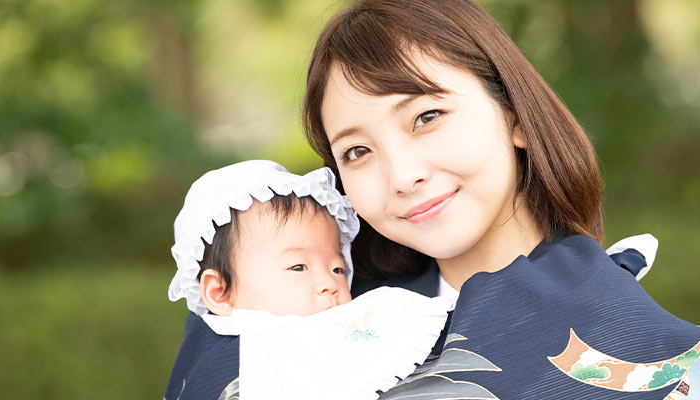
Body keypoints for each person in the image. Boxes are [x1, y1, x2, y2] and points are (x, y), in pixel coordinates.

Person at [301, 0, 700, 398]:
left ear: (514, 116)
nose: (402, 177)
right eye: (357, 152)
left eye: (427, 117)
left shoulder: (667, 361)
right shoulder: (312, 336)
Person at [164, 160, 453, 400]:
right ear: (220, 293)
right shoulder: (227, 355)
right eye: (299, 267)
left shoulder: (348, 324)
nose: (329, 283)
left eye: (338, 269)